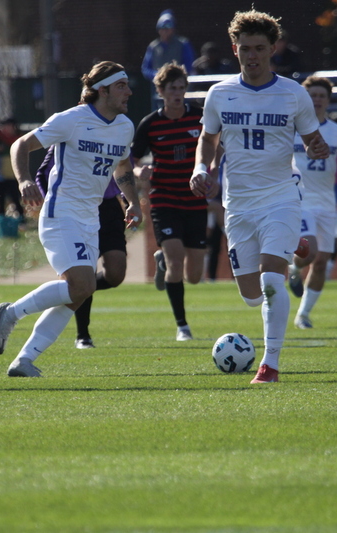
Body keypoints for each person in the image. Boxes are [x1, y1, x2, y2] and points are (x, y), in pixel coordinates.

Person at [190, 9, 330, 384]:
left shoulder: (293, 93)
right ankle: (293, 244)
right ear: (234, 49)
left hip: (281, 198)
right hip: (238, 206)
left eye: (259, 48)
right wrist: (200, 168)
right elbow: (208, 138)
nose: (252, 56)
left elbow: (313, 139)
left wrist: (317, 148)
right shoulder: (220, 93)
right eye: (245, 48)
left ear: (273, 49)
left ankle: (271, 364)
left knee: (271, 282)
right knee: (252, 296)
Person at [0, 61, 142, 378]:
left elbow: (123, 166)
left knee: (78, 293)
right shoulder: (71, 120)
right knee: (82, 285)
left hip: (90, 219)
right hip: (61, 214)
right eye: (121, 86)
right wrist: (24, 180)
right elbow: (20, 144)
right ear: (102, 91)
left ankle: (24, 360)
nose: (128, 92)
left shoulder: (125, 126)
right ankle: (12, 312)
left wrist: (132, 202)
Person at [132, 61, 208, 341]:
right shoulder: (150, 124)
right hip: (164, 199)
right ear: (161, 92)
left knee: (194, 275)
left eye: (181, 88)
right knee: (177, 263)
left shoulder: (200, 118)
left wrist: (212, 171)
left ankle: (162, 260)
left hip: (195, 200)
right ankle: (182, 326)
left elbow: (215, 147)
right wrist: (139, 171)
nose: (177, 93)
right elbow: (131, 160)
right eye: (172, 88)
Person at [34, 144, 129, 349]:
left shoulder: (117, 132)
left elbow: (123, 167)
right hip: (77, 209)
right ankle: (83, 334)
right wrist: (50, 203)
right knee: (87, 270)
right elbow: (42, 173)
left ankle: (71, 289)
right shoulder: (70, 131)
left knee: (116, 273)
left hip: (109, 209)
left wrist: (129, 199)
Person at [287, 76, 337, 330]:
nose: (317, 100)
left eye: (321, 96)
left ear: (328, 100)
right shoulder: (291, 128)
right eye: (312, 95)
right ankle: (295, 268)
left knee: (321, 263)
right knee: (310, 251)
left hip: (327, 204)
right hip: (300, 200)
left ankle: (303, 315)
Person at [141, 10, 195, 110]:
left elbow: (188, 65)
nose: (165, 31)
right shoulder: (153, 47)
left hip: (178, 86)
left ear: (173, 29)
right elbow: (145, 68)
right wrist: (158, 76)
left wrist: (175, 77)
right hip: (159, 89)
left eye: (168, 27)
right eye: (162, 28)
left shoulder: (183, 44)